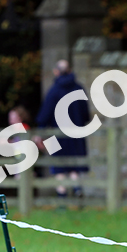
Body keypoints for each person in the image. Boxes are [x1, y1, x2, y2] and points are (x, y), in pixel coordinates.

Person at [36, 60, 90, 198]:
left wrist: (40, 132)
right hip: (76, 134)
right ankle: (77, 189)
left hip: (56, 135)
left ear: (56, 71)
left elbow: (45, 114)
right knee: (75, 166)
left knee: (58, 167)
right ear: (70, 71)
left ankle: (62, 197)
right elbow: (86, 114)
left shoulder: (54, 91)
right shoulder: (79, 88)